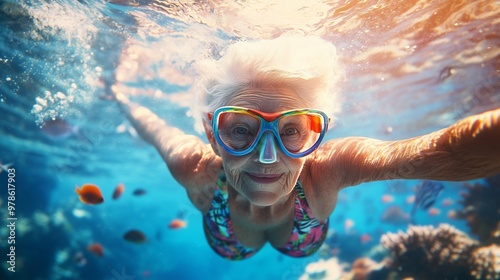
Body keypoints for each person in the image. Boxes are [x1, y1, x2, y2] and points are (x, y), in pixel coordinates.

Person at [111, 35, 500, 260]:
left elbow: (444, 151)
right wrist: (121, 95)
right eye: (242, 130)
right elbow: (152, 126)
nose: (267, 157)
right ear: (212, 134)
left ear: (318, 135)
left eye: (292, 130)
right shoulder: (194, 166)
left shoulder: (326, 170)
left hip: (263, 241)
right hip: (246, 242)